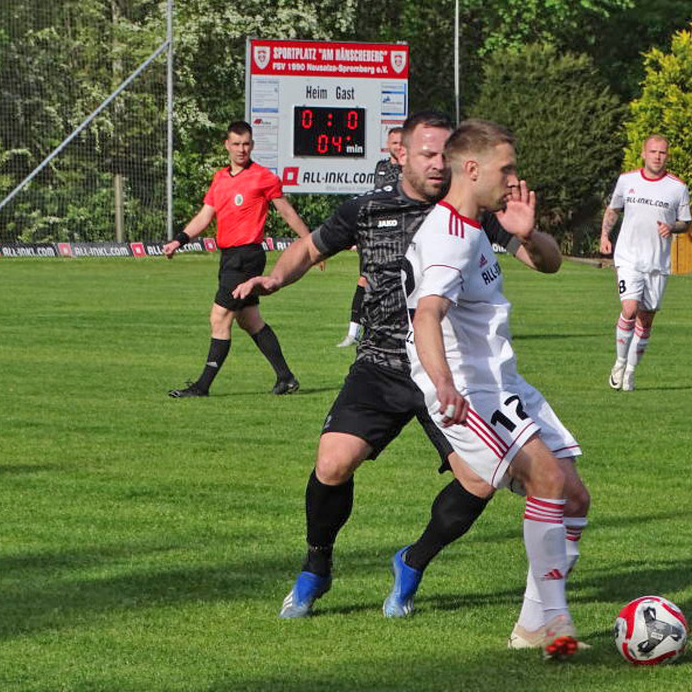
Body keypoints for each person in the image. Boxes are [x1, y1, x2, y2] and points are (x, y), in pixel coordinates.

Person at [232, 112, 589, 647]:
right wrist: (275, 278)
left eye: (443, 154)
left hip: (451, 370)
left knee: (485, 484)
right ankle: (316, 567)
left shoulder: (477, 215)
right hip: (391, 362)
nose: (435, 164)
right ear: (401, 153)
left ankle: (417, 562)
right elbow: (313, 249)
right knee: (333, 462)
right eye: (427, 154)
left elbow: (547, 263)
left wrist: (530, 234)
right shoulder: (376, 209)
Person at [400, 119, 585, 659]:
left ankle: (532, 625)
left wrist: (527, 232)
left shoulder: (479, 226)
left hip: (506, 383)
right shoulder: (445, 238)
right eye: (506, 169)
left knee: (574, 495)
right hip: (470, 394)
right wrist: (444, 385)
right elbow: (426, 315)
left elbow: (549, 264)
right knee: (547, 479)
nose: (514, 179)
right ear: (472, 168)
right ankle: (555, 621)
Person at [164, 120, 310, 397]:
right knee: (250, 320)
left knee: (219, 318)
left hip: (246, 257)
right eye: (236, 144)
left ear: (252, 145)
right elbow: (206, 216)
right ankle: (286, 377)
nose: (242, 149)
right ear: (227, 146)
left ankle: (201, 386)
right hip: (229, 257)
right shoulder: (220, 178)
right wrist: (179, 240)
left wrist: (312, 245)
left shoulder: (263, 177)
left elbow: (287, 213)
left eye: (246, 144)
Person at [600, 134, 691, 391]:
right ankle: (618, 363)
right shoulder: (627, 180)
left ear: (667, 156)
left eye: (662, 153)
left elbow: (686, 222)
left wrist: (672, 227)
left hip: (657, 263)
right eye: (653, 152)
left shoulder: (677, 187)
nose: (657, 157)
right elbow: (613, 209)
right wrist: (605, 236)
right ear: (643, 153)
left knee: (646, 319)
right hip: (628, 257)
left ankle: (630, 371)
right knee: (629, 308)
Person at [336, 127, 404, 348]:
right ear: (388, 143)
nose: (398, 146)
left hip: (401, 233)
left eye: (402, 142)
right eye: (394, 142)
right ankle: (353, 332)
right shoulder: (381, 167)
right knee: (365, 279)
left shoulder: (410, 169)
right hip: (377, 233)